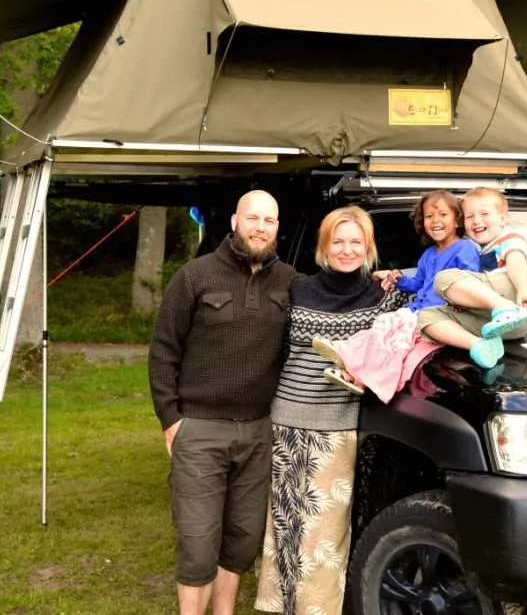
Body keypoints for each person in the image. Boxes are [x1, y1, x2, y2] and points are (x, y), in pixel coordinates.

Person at [148, 190, 300, 615]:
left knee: (242, 540)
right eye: (253, 218)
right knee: (198, 544)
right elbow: (163, 351)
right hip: (199, 428)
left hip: (258, 430)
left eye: (269, 220)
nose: (260, 227)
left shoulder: (290, 282)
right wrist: (171, 420)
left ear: (277, 227)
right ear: (235, 220)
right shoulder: (194, 277)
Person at [254, 206, 407, 615]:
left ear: (369, 247)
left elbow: (403, 339)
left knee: (324, 530)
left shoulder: (385, 295)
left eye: (356, 241)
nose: (346, 249)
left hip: (339, 422)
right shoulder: (298, 288)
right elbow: (279, 347)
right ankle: (282, 606)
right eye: (338, 241)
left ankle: (316, 610)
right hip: (287, 415)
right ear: (324, 246)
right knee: (284, 523)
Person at [310, 190, 480, 399]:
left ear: (457, 221)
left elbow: (472, 282)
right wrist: (398, 278)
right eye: (429, 216)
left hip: (440, 317)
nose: (435, 220)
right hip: (418, 311)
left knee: (394, 341)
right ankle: (351, 366)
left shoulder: (465, 249)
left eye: (443, 214)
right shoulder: (428, 254)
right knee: (383, 328)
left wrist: (462, 305)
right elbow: (418, 283)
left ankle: (361, 373)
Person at [419, 186, 527, 368]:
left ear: (502, 218)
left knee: (443, 278)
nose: (476, 221)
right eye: (469, 216)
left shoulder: (508, 238)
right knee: (426, 317)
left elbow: (516, 261)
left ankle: (505, 308)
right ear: (463, 223)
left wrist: (522, 290)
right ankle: (478, 345)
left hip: (518, 301)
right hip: (501, 325)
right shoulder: (474, 249)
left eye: (484, 214)